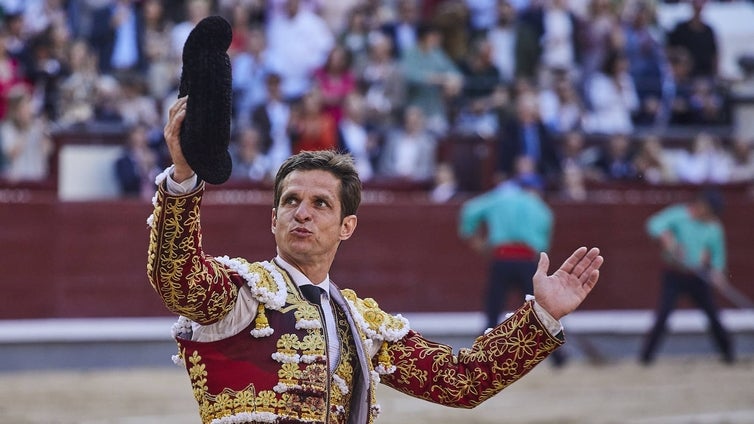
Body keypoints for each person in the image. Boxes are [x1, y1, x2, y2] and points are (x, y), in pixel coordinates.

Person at [147, 96, 604, 424]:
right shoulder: (243, 294)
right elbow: (177, 276)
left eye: (321, 204)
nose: (302, 212)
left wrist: (539, 315)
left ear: (347, 226)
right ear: (273, 219)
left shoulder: (363, 324)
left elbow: (461, 381)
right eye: (291, 202)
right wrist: (184, 179)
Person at [639, 189, 735, 365]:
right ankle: (646, 358)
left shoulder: (713, 226)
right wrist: (666, 236)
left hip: (698, 277)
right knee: (663, 315)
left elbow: (717, 255)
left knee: (713, 315)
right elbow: (653, 224)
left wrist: (717, 272)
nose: (711, 215)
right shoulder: (679, 215)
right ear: (702, 205)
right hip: (674, 274)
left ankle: (729, 355)